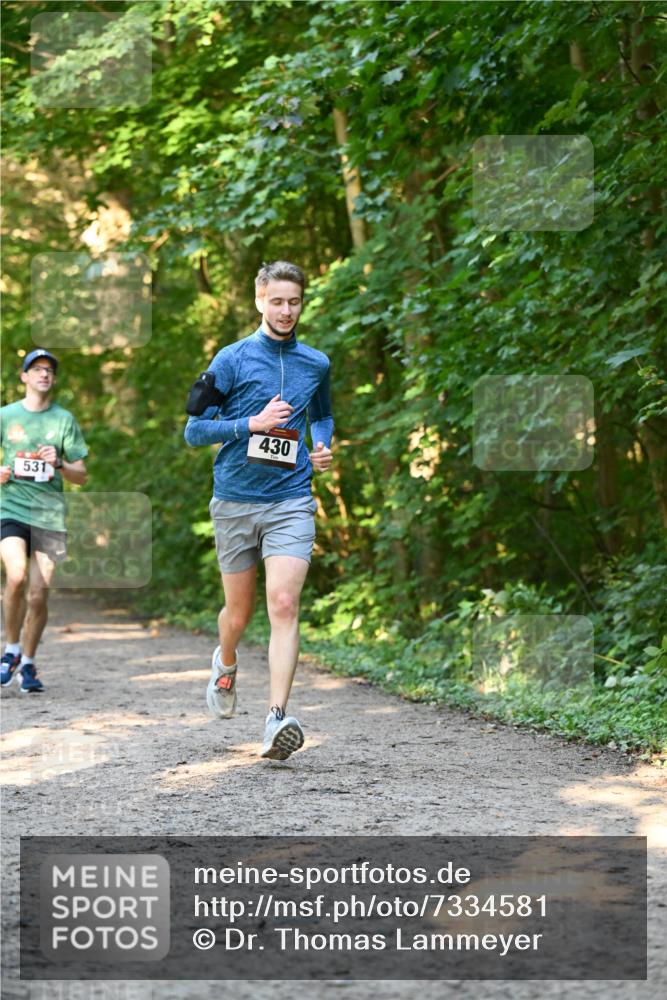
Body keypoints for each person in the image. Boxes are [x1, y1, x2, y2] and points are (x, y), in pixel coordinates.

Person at [184, 261, 333, 760]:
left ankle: (275, 719)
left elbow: (323, 414)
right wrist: (252, 423)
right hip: (234, 502)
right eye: (277, 301)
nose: (286, 311)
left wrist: (323, 445)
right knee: (238, 614)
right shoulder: (231, 359)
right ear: (259, 301)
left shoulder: (316, 363)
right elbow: (193, 431)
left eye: (294, 301)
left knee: (284, 604)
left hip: (291, 498)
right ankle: (225, 663)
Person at [0, 349, 88, 693]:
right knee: (17, 575)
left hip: (49, 515)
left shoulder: (63, 420)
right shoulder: (5, 416)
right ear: (23, 377)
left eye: (49, 370)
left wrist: (60, 465)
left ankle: (29, 663)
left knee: (39, 594)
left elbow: (81, 476)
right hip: (11, 510)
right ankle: (10, 650)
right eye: (36, 369)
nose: (44, 374)